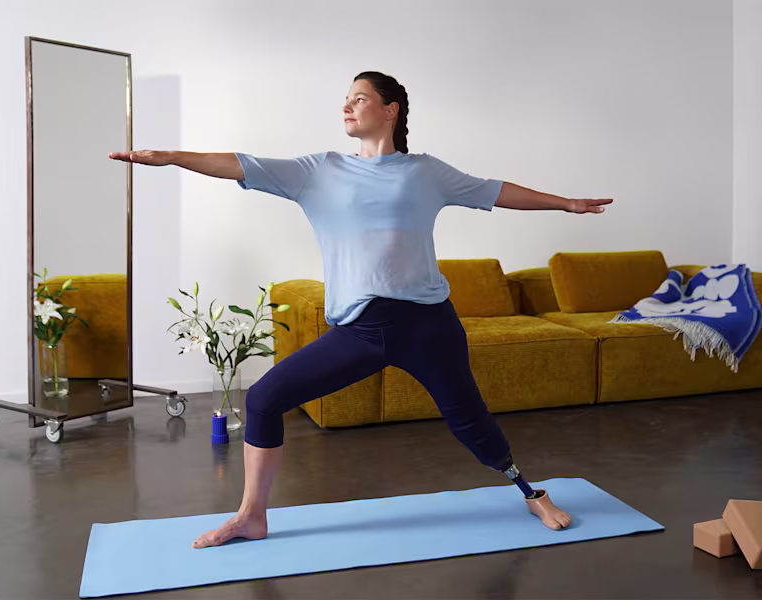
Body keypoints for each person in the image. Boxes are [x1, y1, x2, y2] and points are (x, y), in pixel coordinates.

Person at [110, 71, 612, 549]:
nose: (347, 106)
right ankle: (251, 516)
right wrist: (172, 157)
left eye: (360, 98)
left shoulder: (426, 172)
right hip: (361, 330)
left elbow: (495, 191)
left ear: (390, 110)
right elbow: (239, 164)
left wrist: (565, 204)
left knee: (471, 424)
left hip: (429, 326)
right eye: (346, 99)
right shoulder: (318, 171)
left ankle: (531, 493)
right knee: (263, 399)